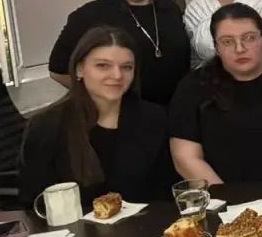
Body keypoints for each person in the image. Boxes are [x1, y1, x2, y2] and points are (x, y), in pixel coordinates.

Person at [21, 26, 172, 208]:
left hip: (146, 223)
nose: (117, 75)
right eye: (102, 66)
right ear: (79, 69)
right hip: (72, 225)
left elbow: (165, 194)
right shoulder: (47, 126)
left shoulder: (155, 118)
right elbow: (34, 203)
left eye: (126, 67)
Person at [169, 3, 262, 184]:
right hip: (216, 193)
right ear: (216, 48)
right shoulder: (192, 87)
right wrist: (225, 196)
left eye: (249, 38)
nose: (239, 48)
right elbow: (185, 157)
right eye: (227, 41)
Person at [50, 0, 190, 106]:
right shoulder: (89, 15)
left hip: (178, 112)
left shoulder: (171, 9)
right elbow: (58, 70)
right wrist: (102, 97)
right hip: (121, 115)